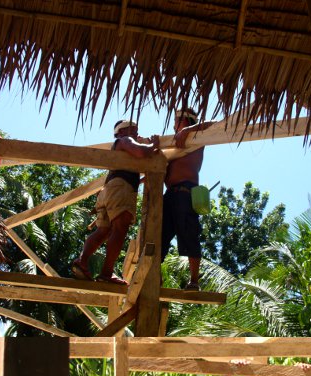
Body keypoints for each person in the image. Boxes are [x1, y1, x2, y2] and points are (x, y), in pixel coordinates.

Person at [71, 119, 160, 284]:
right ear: (121, 132)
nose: (136, 134)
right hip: (120, 188)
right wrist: (154, 144)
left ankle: (81, 262)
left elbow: (126, 170)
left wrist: (140, 180)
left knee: (103, 231)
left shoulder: (122, 147)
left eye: (136, 131)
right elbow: (141, 152)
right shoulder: (124, 140)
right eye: (133, 130)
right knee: (120, 228)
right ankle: (106, 273)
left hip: (110, 189)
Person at [162, 107, 215, 291]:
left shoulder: (197, 137)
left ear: (185, 120)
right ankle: (154, 277)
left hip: (186, 191)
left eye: (177, 121)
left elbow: (214, 125)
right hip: (169, 195)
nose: (174, 124)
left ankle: (194, 282)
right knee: (158, 236)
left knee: (190, 235)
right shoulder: (172, 143)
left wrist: (188, 130)